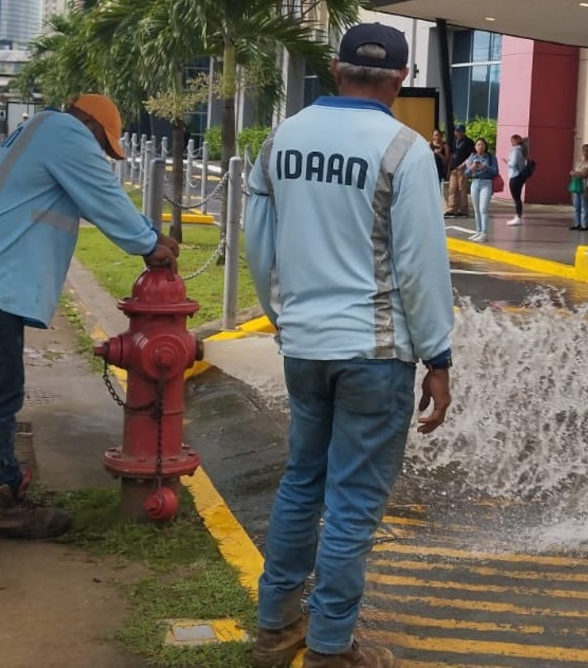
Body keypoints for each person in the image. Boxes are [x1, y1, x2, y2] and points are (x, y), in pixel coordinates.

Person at [245, 22, 454, 668]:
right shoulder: (405, 149)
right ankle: (332, 645)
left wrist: (283, 318)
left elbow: (259, 242)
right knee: (354, 504)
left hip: (305, 348)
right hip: (375, 354)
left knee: (302, 483)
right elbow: (420, 268)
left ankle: (277, 623)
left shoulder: (283, 138)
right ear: (398, 81)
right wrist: (439, 358)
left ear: (335, 71)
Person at [0, 93, 179, 540]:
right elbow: (105, 196)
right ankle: (2, 500)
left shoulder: (34, 136)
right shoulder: (65, 134)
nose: (101, 154)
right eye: (104, 145)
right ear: (93, 126)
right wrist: (149, 242)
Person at [465, 138, 499, 242]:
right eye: (478, 145)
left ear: (485, 146)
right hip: (475, 183)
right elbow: (466, 174)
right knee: (476, 209)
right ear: (475, 147)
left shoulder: (490, 157)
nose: (480, 147)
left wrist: (485, 166)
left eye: (482, 145)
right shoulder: (472, 157)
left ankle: (484, 232)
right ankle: (478, 231)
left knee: (483, 208)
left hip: (486, 183)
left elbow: (495, 171)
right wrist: (472, 167)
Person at [444, 123, 475, 217]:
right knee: (452, 189)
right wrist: (449, 168)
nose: (458, 133)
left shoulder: (468, 141)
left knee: (462, 189)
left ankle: (463, 209)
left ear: (464, 132)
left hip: (463, 168)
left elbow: (472, 154)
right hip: (454, 168)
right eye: (457, 131)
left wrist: (464, 164)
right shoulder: (454, 141)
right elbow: (452, 155)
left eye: (460, 131)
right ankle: (452, 208)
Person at [568, 143, 588, 231]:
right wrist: (577, 174)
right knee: (577, 206)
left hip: (585, 187)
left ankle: (586, 225)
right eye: (584, 150)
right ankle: (577, 223)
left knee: (584, 206)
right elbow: (575, 173)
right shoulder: (580, 162)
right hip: (577, 186)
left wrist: (576, 174)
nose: (585, 152)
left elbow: (584, 174)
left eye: (587, 150)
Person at [505, 134, 528, 226]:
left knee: (516, 198)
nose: (511, 143)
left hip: (515, 175)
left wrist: (507, 162)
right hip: (520, 175)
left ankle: (518, 217)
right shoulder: (522, 150)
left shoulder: (516, 150)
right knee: (517, 197)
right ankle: (518, 216)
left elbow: (513, 163)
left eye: (512, 141)